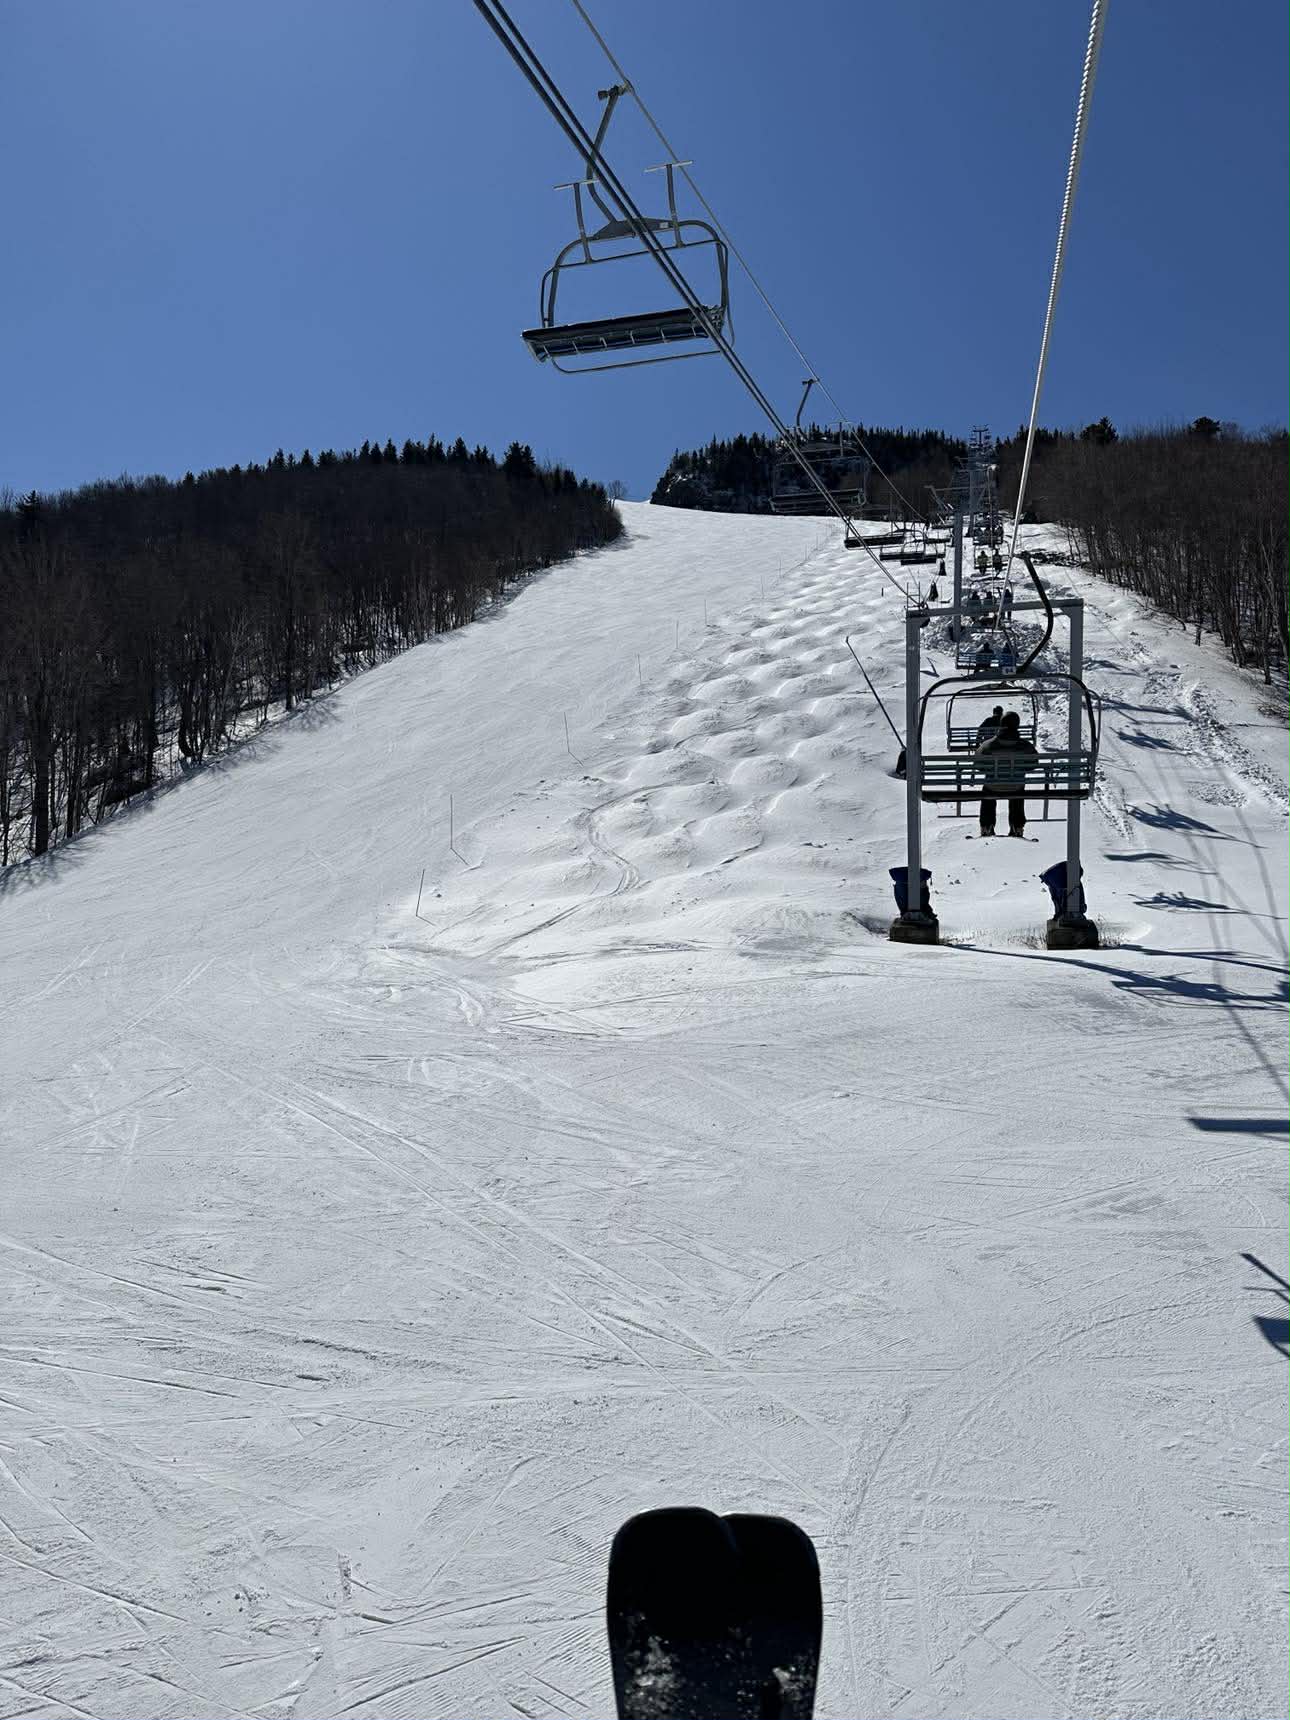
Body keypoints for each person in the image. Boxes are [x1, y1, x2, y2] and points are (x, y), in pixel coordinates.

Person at [975, 710, 1038, 836]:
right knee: (1018, 791)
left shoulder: (988, 745)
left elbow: (978, 765)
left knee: (987, 794)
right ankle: (1017, 826)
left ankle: (987, 826)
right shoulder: (1025, 746)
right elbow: (1033, 765)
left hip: (992, 786)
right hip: (1016, 786)